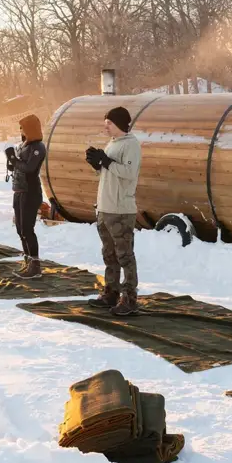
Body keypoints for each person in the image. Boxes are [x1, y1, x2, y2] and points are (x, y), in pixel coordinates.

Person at [85, 106, 143, 316]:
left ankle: (129, 299)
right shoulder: (113, 144)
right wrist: (98, 165)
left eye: (109, 122)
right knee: (109, 254)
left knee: (124, 255)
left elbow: (128, 173)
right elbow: (109, 174)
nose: (106, 126)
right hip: (105, 208)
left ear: (119, 123)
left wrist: (106, 161)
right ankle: (111, 293)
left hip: (120, 210)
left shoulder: (131, 145)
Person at [5, 114, 47, 277]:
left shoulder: (38, 147)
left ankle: (35, 265)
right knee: (20, 229)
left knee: (28, 229)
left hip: (30, 192)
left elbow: (29, 168)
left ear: (30, 128)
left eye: (22, 127)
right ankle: (28, 261)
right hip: (19, 191)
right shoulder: (23, 145)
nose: (20, 130)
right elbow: (18, 167)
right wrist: (11, 162)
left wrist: (14, 159)